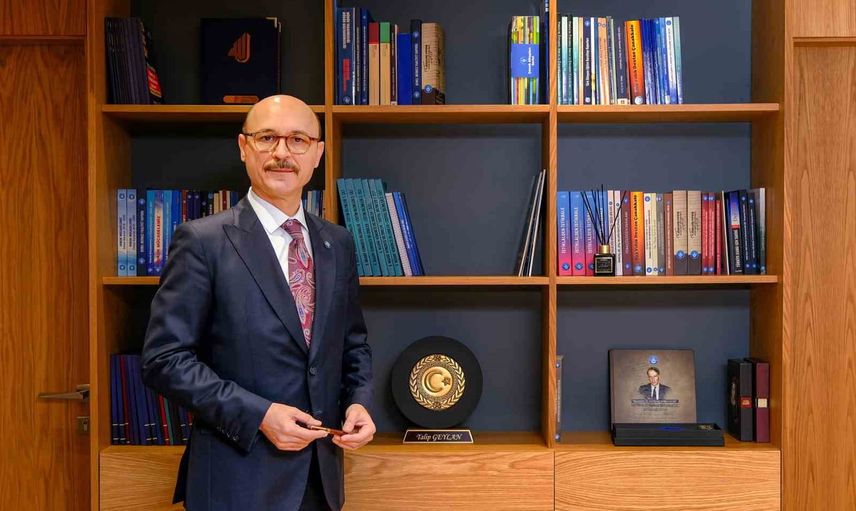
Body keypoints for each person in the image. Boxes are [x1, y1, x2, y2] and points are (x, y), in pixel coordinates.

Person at [142, 95, 375, 511]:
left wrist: (359, 401)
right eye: (267, 138)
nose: (282, 153)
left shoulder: (337, 243)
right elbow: (164, 360)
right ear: (244, 147)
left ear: (318, 153)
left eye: (298, 140)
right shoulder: (202, 241)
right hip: (236, 482)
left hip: (321, 480)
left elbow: (352, 345)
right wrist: (259, 415)